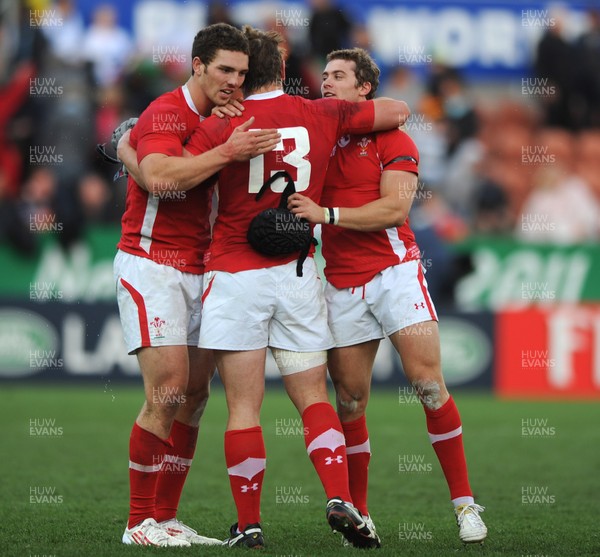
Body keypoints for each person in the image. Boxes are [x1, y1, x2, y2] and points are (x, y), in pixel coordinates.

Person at [183, 26, 410, 549]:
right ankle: (340, 497)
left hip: (236, 273)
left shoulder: (227, 124)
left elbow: (179, 176)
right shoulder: (323, 112)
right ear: (283, 71)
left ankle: (251, 525)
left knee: (243, 407)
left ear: (242, 75)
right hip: (299, 273)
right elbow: (397, 110)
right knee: (313, 396)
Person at [287, 48, 488, 545]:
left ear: (364, 90)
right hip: (339, 281)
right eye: (325, 76)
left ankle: (465, 505)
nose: (327, 83)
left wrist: (325, 215)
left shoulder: (393, 137)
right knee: (351, 402)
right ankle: (361, 514)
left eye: (338, 77)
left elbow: (395, 210)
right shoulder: (315, 138)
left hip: (394, 273)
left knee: (428, 386)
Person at [114, 23, 280, 547]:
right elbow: (161, 176)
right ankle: (137, 523)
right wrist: (226, 152)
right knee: (165, 393)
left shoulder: (225, 117)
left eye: (242, 73)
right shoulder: (167, 110)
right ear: (198, 65)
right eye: (225, 70)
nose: (234, 81)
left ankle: (164, 517)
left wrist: (124, 149)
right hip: (152, 262)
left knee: (193, 398)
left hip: (204, 268)